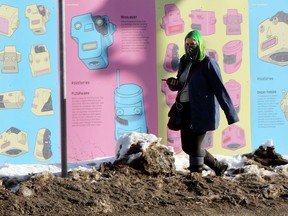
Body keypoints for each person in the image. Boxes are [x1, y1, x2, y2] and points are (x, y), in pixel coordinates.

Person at [166, 30, 239, 176]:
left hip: (202, 111)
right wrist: (173, 83)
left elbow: (220, 89)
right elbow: (183, 84)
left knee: (195, 146)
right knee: (187, 147)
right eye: (187, 44)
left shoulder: (208, 63)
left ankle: (195, 176)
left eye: (192, 44)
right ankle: (218, 166)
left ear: (199, 44)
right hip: (184, 109)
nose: (189, 47)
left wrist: (230, 114)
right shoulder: (184, 61)